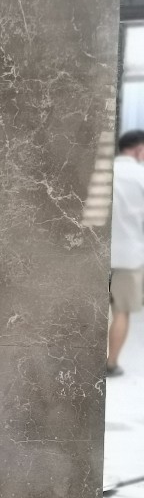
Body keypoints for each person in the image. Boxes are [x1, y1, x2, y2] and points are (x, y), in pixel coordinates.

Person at [109, 130, 144, 376]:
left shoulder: (103, 172)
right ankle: (111, 364)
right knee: (120, 311)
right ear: (140, 150)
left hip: (96, 252)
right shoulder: (141, 176)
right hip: (129, 256)